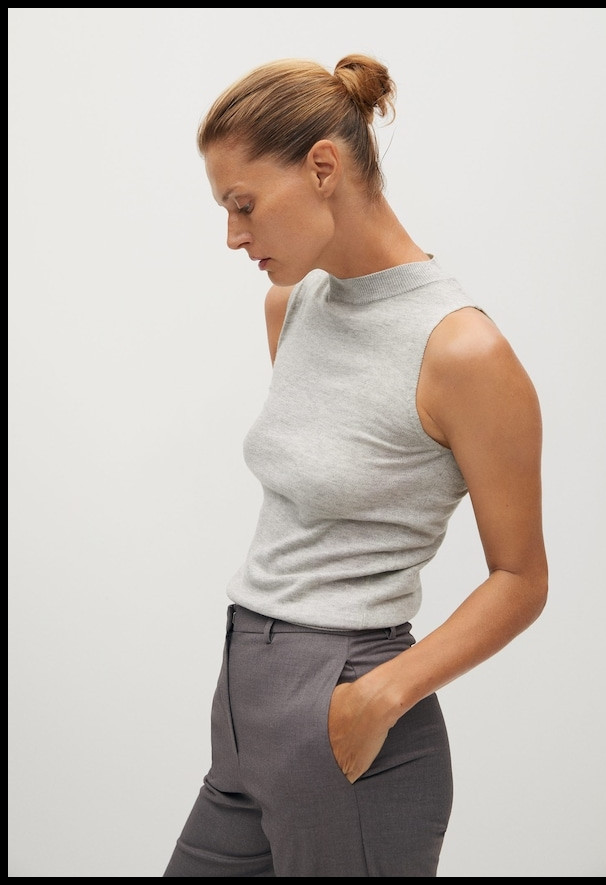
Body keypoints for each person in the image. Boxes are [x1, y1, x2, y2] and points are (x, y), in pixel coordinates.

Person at [163, 54, 548, 878]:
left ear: (322, 167)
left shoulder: (462, 351)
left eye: (242, 205)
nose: (233, 236)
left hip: (347, 726)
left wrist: (378, 695)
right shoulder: (291, 304)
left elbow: (520, 578)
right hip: (243, 711)